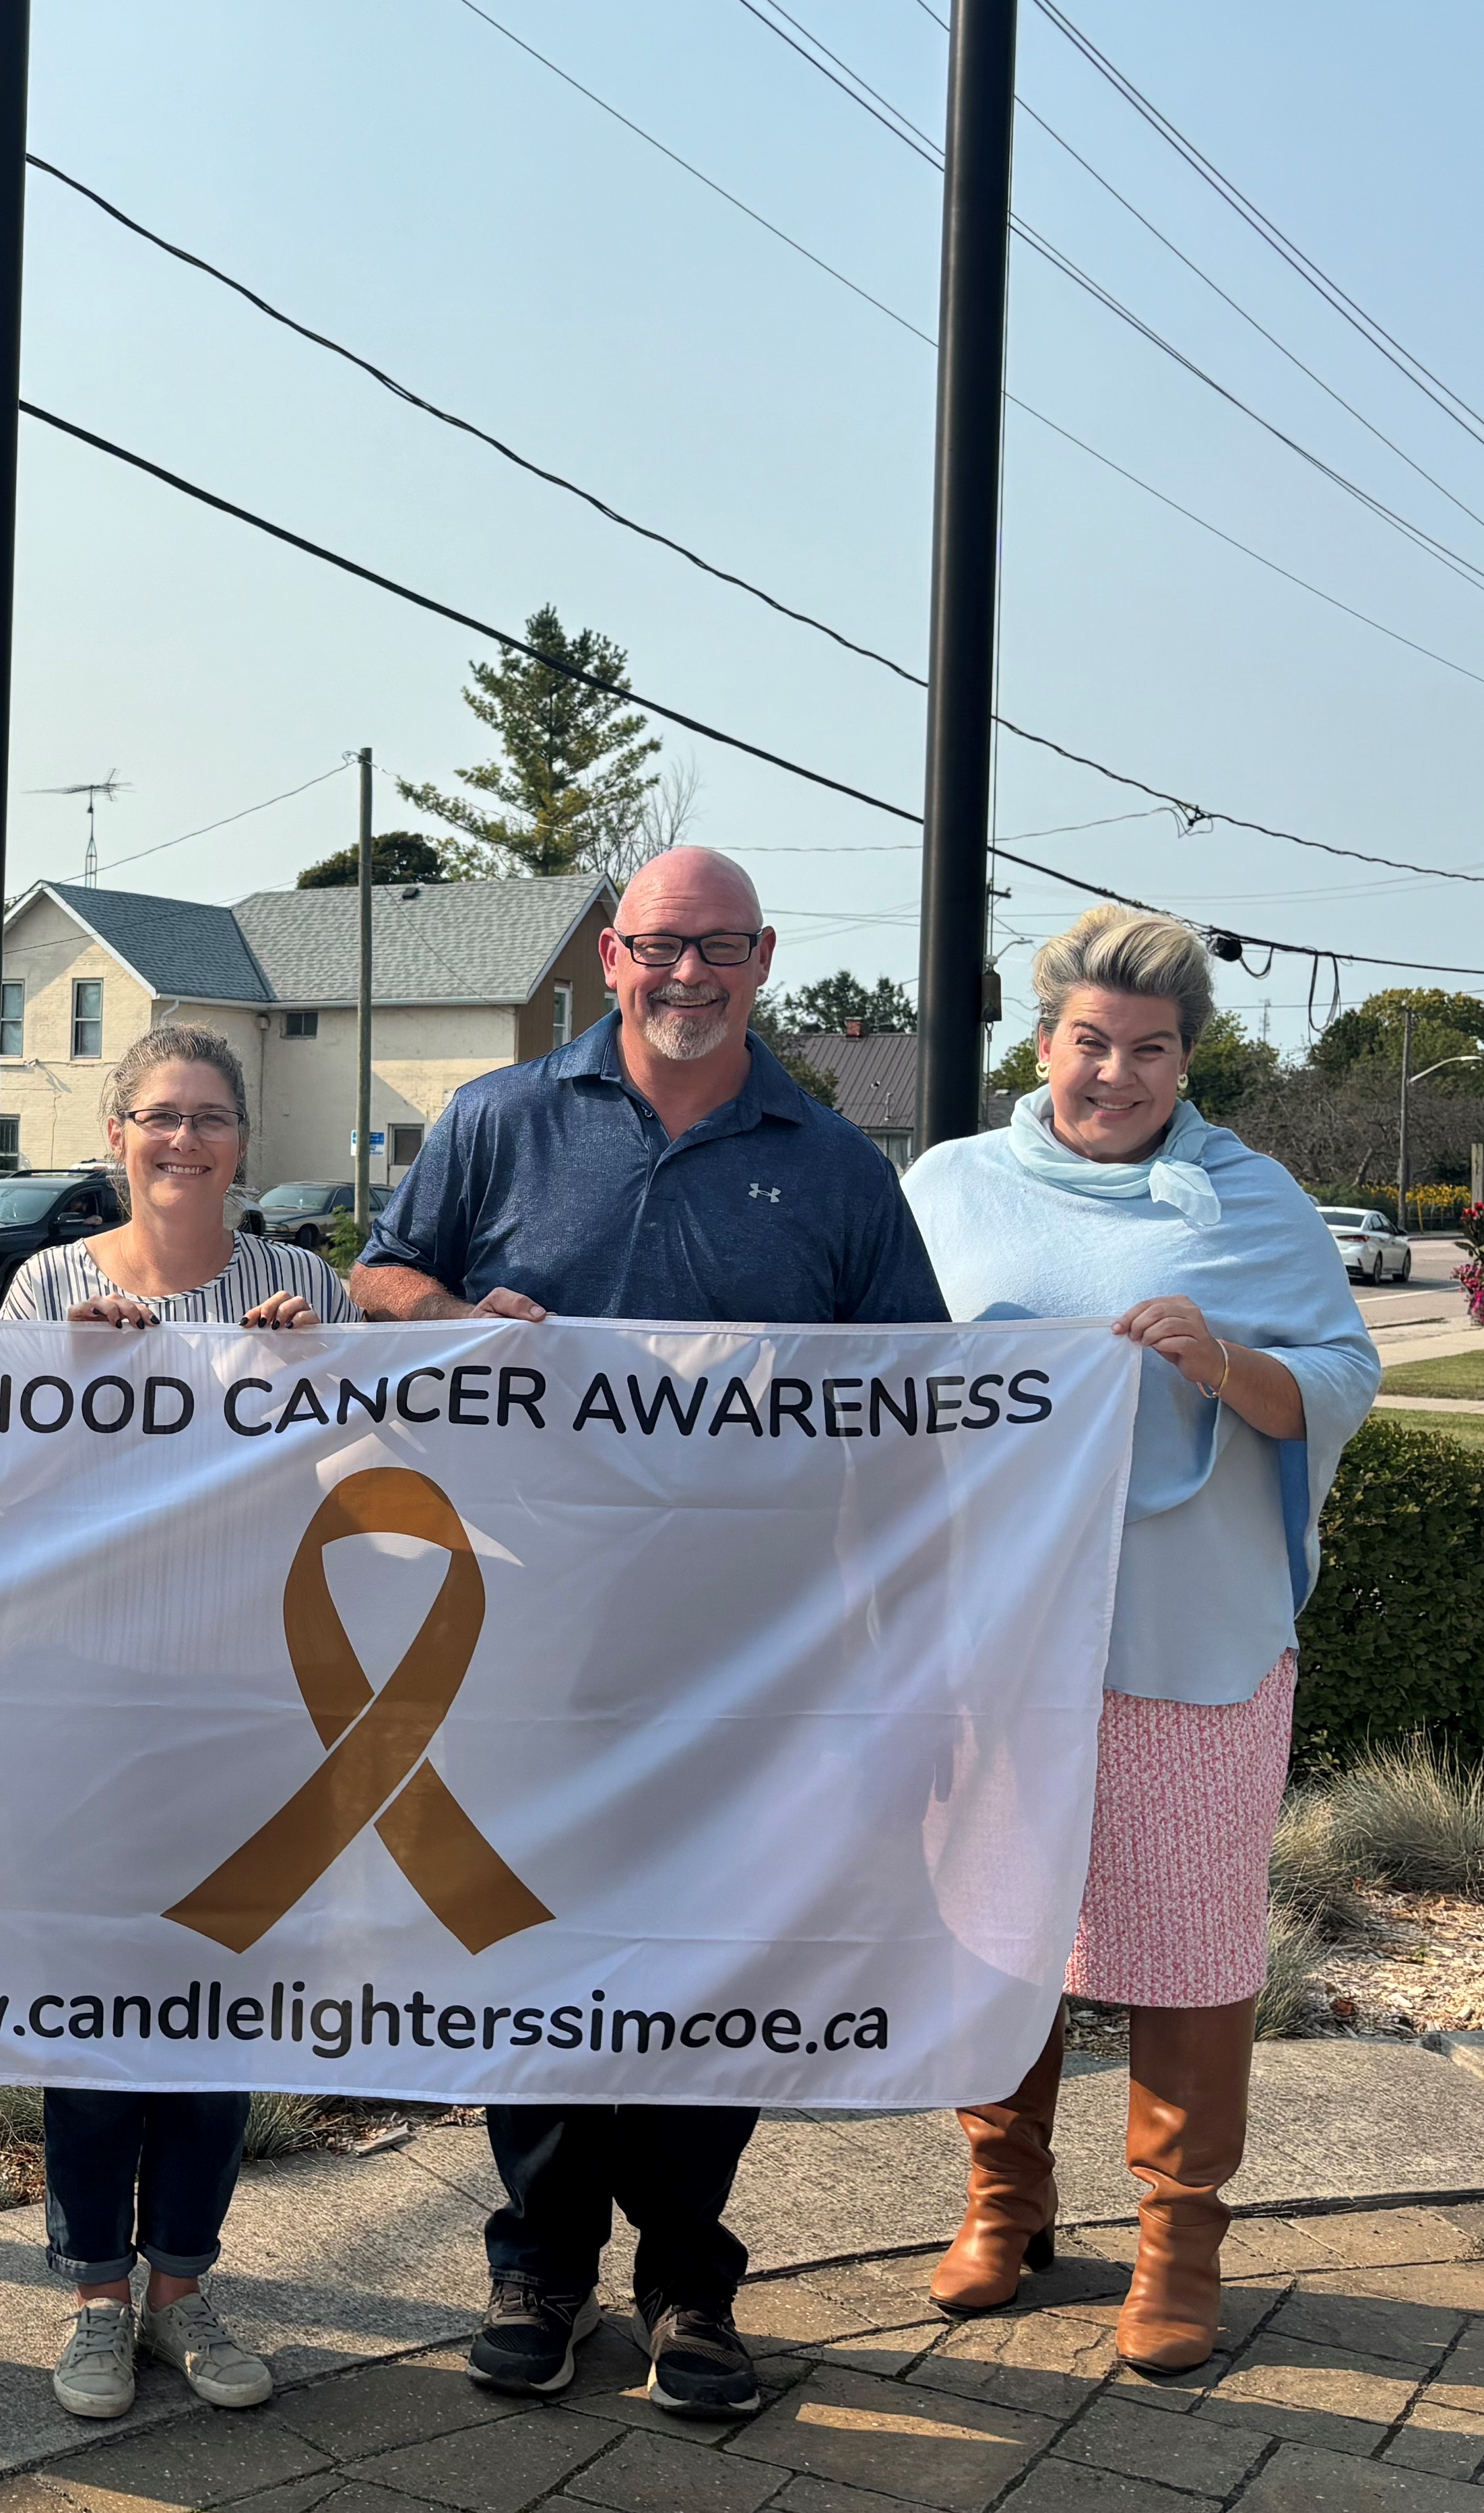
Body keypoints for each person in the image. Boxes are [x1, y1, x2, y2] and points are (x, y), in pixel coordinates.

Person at [352, 846, 945, 2417]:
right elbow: (384, 1273)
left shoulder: (831, 1164)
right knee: (531, 1946)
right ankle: (539, 2261)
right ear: (611, 956)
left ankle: (688, 2275)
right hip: (519, 1629)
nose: (690, 975)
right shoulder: (499, 1118)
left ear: (765, 960)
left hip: (747, 1646)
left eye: (721, 949)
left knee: (706, 1955)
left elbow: (913, 1402)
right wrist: (442, 1321)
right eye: (661, 947)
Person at [902, 905, 1378, 2375]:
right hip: (999, 1629)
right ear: (1040, 1041)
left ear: (1188, 1061)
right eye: (1089, 1043)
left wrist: (1224, 1362)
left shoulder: (1249, 1195)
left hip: (1189, 1629)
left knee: (1184, 1936)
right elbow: (882, 1372)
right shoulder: (950, 1186)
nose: (1114, 1075)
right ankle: (1006, 2198)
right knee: (998, 1927)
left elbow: (1346, 1373)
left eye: (1150, 1051)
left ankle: (1179, 2237)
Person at [0, 1023, 344, 2420]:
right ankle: (92, 2294)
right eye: (157, 1116)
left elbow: (362, 1480)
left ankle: (187, 2285)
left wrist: (320, 1373)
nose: (182, 1140)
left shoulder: (302, 1285)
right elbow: (3, 1490)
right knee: (94, 1995)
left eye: (207, 1117)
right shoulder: (47, 1286)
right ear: (115, 1135)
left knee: (219, 1999)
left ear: (243, 1142)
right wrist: (66, 1380)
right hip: (84, 1695)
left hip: (252, 1697)